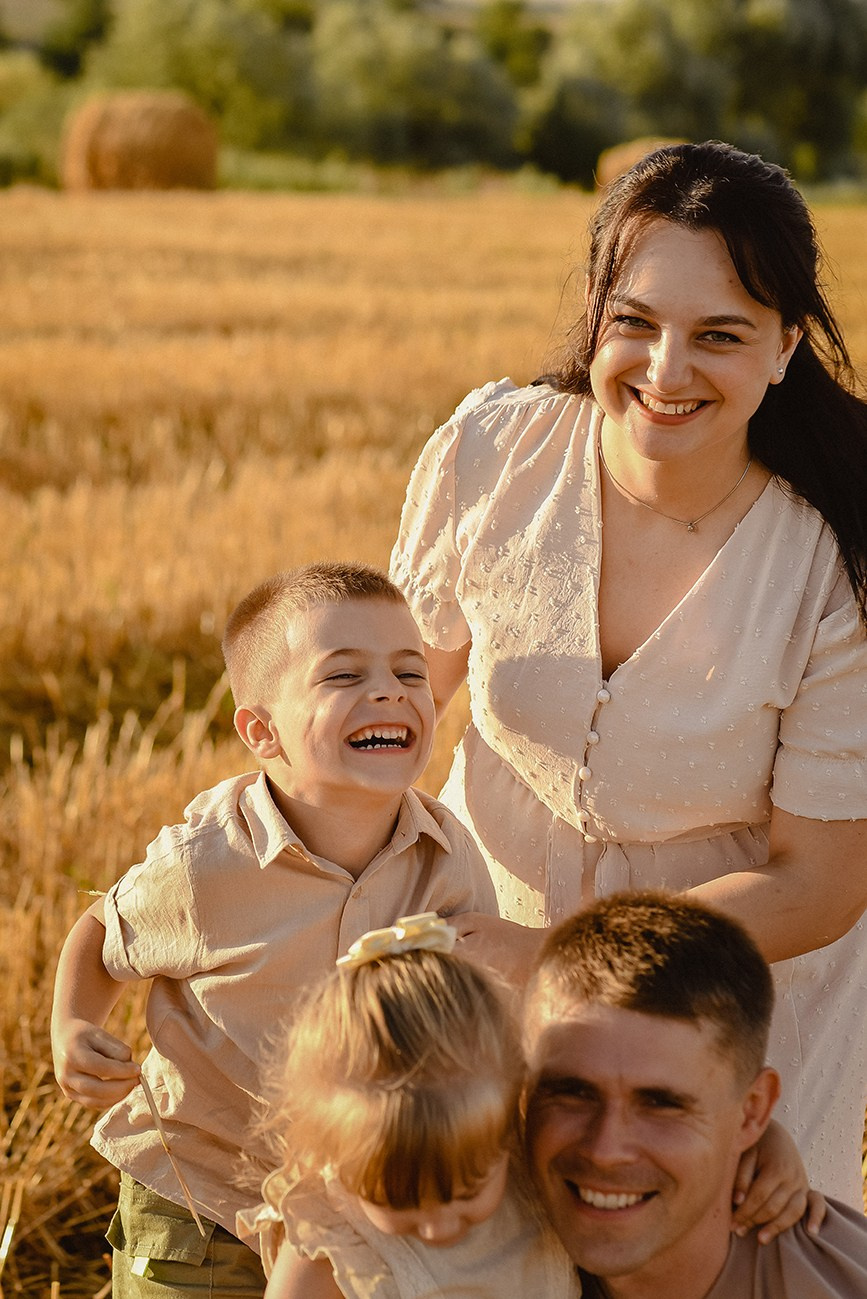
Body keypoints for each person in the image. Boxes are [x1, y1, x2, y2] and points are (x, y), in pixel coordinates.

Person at [389, 140, 867, 1206]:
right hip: (494, 965)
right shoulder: (493, 455)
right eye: (636, 323)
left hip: (731, 1007)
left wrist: (559, 958)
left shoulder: (835, 565)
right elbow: (392, 720)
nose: (664, 371)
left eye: (720, 336)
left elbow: (819, 882)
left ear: (786, 346)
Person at [50, 562, 498, 1299]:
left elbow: (476, 1008)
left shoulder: (448, 857)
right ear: (262, 730)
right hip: (202, 1201)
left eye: (409, 672)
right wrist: (72, 1025)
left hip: (358, 1206)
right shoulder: (206, 865)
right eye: (343, 675)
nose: (388, 691)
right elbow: (100, 931)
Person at [239, 911, 817, 1299]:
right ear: (333, 1153)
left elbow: (664, 1148)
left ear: (511, 1119)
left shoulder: (529, 1166)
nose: (438, 1225)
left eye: (466, 1192)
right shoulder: (329, 1244)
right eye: (397, 1198)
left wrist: (764, 1144)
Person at [523, 891, 867, 1298]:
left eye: (661, 1104)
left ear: (752, 1113)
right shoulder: (468, 1225)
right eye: (572, 1093)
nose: (605, 1149)